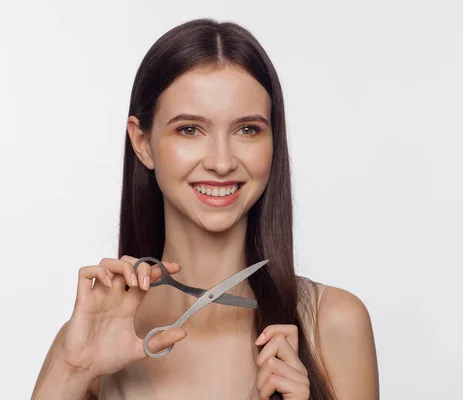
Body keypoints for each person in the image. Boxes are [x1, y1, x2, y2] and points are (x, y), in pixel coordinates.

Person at [31, 18, 379, 400]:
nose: (221, 161)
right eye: (189, 129)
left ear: (273, 140)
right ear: (143, 142)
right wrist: (74, 370)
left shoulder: (334, 324)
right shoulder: (88, 341)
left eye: (247, 129)